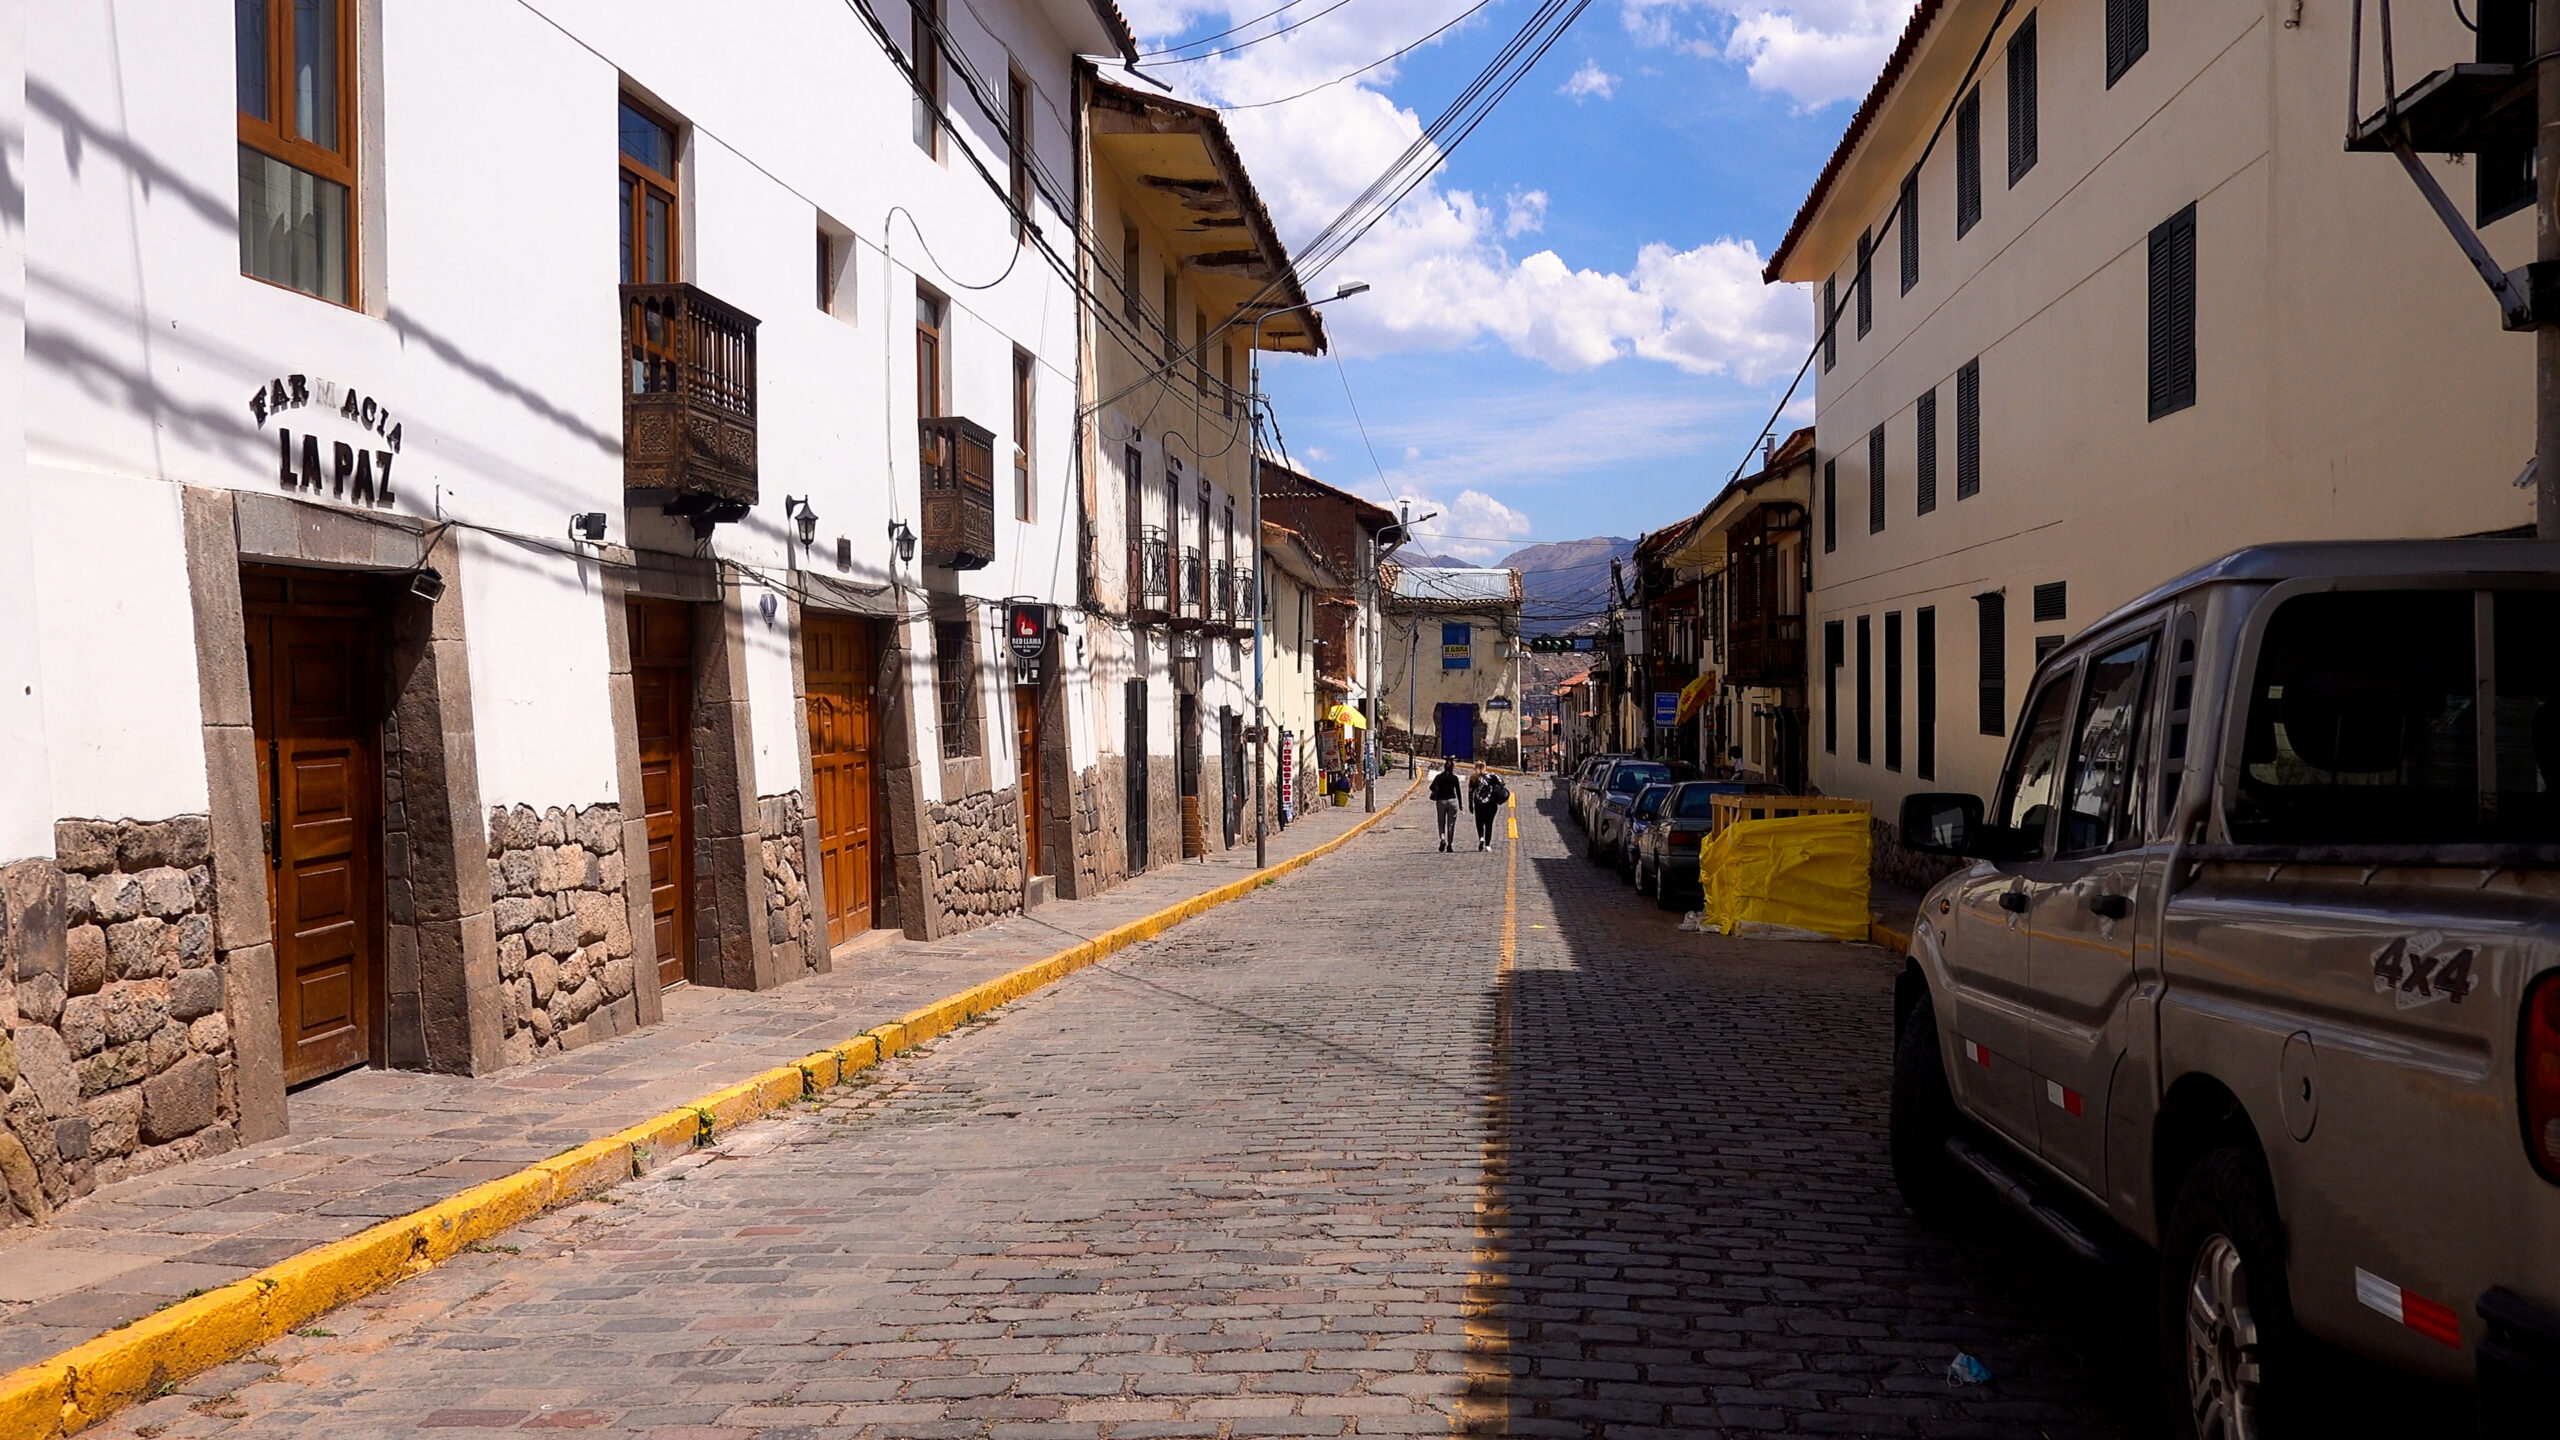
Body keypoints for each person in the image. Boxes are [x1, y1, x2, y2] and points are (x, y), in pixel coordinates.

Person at [1469, 765, 1509, 850]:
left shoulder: (1474, 777)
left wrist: (1470, 804)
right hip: (1491, 803)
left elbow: (1471, 792)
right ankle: (1487, 845)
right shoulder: (1492, 776)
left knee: (1479, 822)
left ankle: (1481, 837)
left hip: (1478, 803)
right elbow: (1502, 783)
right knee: (1489, 824)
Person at [1429, 756, 1462, 852]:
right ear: (1452, 768)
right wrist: (1460, 805)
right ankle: (1450, 844)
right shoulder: (1454, 778)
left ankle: (1443, 838)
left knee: (1441, 822)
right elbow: (1458, 792)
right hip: (1452, 801)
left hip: (1441, 801)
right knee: (1451, 824)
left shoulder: (1439, 777)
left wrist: (1437, 790)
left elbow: (1431, 787)